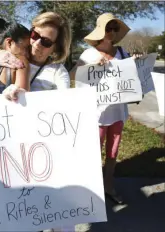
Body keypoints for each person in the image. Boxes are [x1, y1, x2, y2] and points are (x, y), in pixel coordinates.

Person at [0, 12, 74, 232]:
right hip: (2, 150)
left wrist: (25, 99)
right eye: (35, 34)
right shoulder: (11, 57)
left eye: (46, 41)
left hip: (38, 152)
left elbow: (64, 109)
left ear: (55, 47)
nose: (37, 43)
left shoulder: (57, 72)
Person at [70, 13, 132, 205]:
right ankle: (92, 191)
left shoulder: (122, 53)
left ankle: (108, 185)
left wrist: (137, 66)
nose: (112, 32)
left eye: (115, 28)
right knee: (93, 153)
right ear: (100, 30)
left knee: (112, 153)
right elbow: (72, 76)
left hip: (118, 112)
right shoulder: (88, 54)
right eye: (108, 28)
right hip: (95, 114)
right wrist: (91, 67)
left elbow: (132, 80)